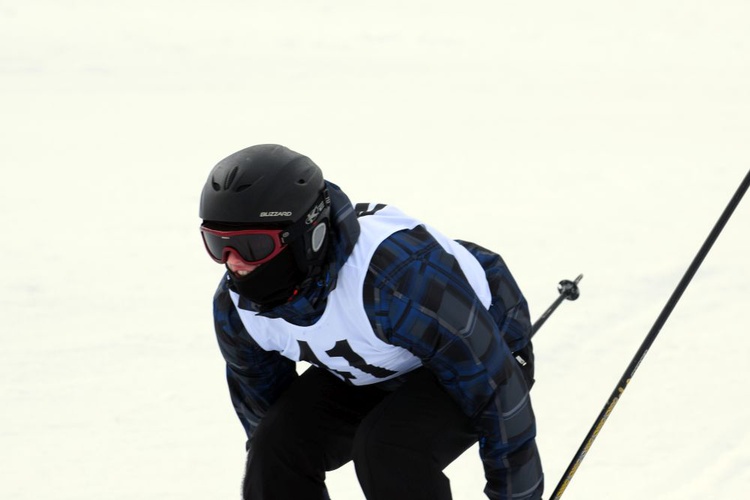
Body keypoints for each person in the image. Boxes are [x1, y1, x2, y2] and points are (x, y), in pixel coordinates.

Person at [199, 144, 543, 500]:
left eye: (253, 246)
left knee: (386, 448)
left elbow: (497, 393)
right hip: (373, 362)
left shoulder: (396, 281)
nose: (234, 263)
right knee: (274, 444)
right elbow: (267, 415)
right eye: (217, 244)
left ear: (309, 235)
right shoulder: (237, 309)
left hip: (486, 346)